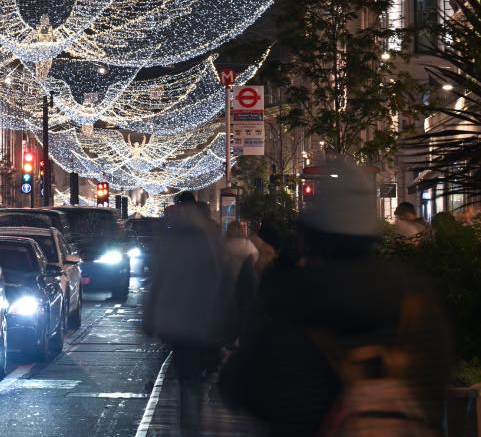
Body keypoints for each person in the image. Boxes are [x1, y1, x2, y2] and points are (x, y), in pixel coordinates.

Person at [220, 158, 452, 437]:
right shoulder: (414, 294)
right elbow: (433, 390)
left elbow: (243, 384)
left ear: (312, 236)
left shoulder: (293, 296)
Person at [144, 191, 235, 435]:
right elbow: (223, 279)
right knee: (200, 379)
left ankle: (190, 425)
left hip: (179, 324)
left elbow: (159, 279)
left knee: (186, 380)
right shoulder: (212, 236)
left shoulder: (171, 236)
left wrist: (151, 316)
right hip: (206, 321)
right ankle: (198, 419)